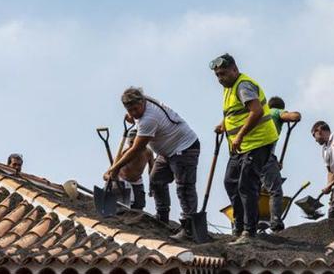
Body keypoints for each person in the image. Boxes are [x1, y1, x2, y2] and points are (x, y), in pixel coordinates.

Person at [105, 87, 200, 238]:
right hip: (167, 151)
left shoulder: (149, 118)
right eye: (130, 111)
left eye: (136, 109)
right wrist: (134, 117)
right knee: (156, 180)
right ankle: (162, 218)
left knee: (184, 188)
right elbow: (136, 116)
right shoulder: (144, 103)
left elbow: (137, 149)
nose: (134, 113)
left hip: (184, 147)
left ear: (142, 102)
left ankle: (189, 228)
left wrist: (114, 168)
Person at [210, 53, 279, 244]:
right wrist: (223, 124)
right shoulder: (229, 88)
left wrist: (239, 135)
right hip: (241, 146)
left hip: (257, 142)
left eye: (223, 74)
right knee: (230, 182)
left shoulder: (243, 85)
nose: (220, 78)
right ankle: (238, 226)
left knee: (247, 185)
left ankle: (249, 232)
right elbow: (235, 112)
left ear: (235, 69)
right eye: (217, 75)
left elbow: (256, 111)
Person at [261, 96, 302, 231]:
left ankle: (244, 222)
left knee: (252, 190)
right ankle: (276, 222)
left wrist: (275, 161)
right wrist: (296, 114)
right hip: (264, 156)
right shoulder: (275, 112)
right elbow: (293, 117)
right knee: (276, 191)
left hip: (249, 155)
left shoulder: (261, 112)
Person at [118, 127, 152, 212]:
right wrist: (110, 177)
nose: (133, 145)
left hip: (137, 183)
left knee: (138, 208)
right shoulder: (124, 152)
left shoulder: (148, 152)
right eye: (131, 142)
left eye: (135, 142)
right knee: (121, 208)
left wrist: (152, 186)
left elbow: (152, 170)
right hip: (122, 182)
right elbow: (110, 171)